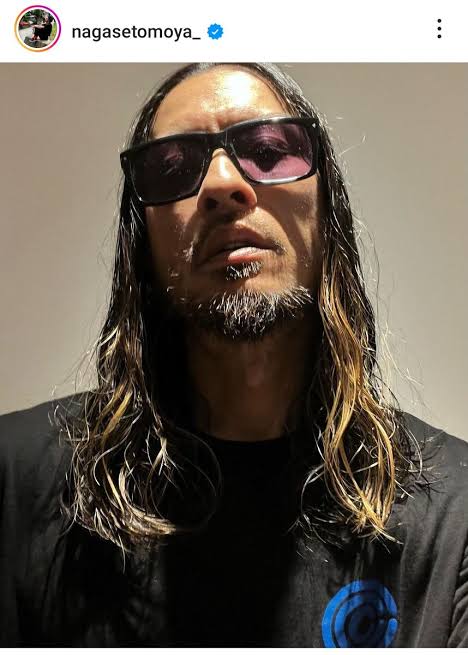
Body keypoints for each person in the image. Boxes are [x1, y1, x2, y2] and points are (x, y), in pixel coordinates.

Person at [0, 62, 467, 647]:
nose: (222, 183)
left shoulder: (454, 512)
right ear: (142, 242)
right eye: (174, 167)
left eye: (268, 151)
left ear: (328, 211)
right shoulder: (14, 480)